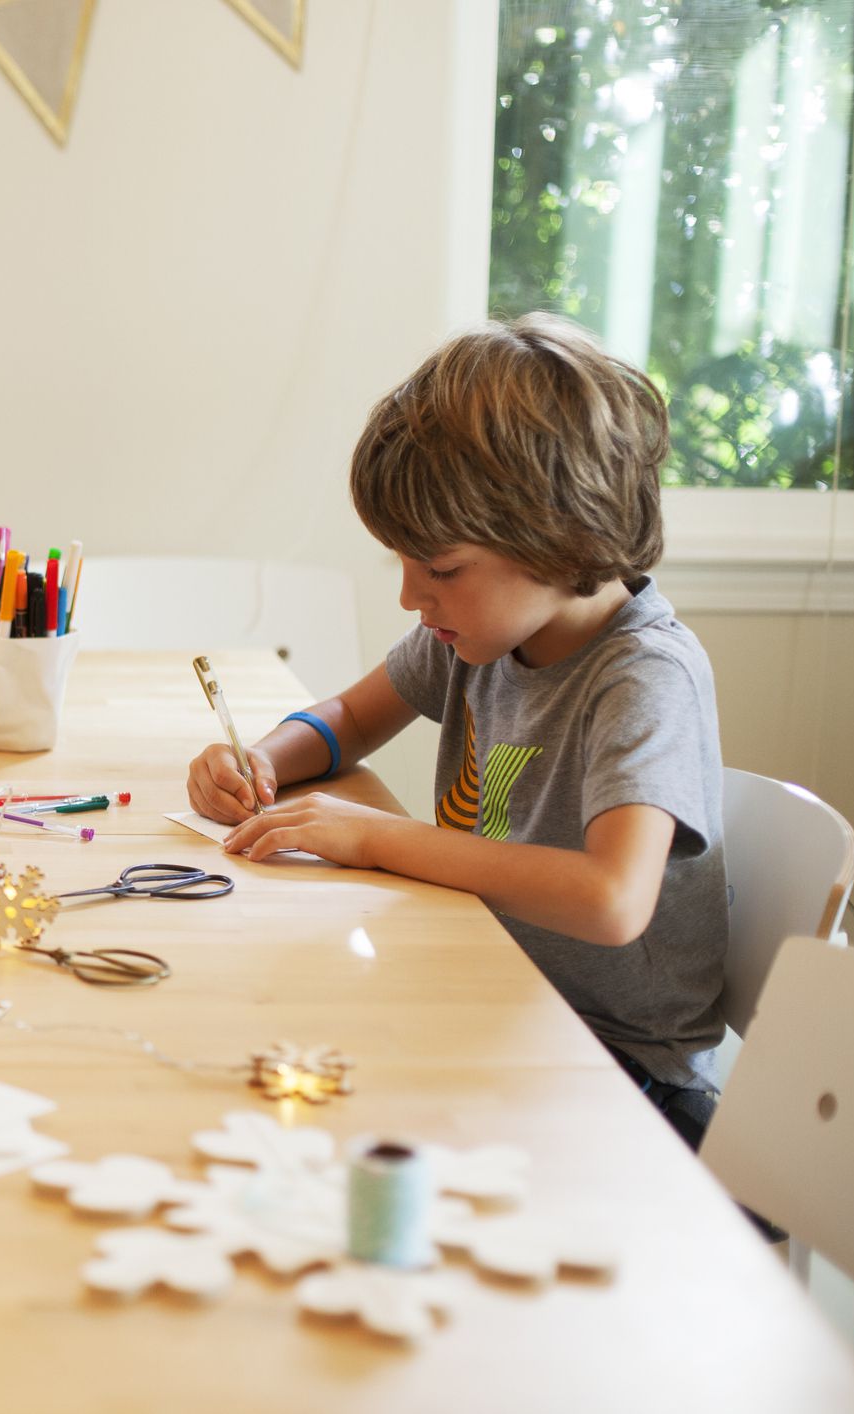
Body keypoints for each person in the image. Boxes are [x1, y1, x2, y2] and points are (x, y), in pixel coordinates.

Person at [187, 313, 728, 1146]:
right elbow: (349, 718)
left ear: (561, 535)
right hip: (499, 992)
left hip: (623, 1074)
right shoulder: (482, 635)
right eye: (400, 562)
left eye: (439, 568)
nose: (410, 596)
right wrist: (258, 757)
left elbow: (612, 899)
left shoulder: (643, 677)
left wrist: (376, 838)